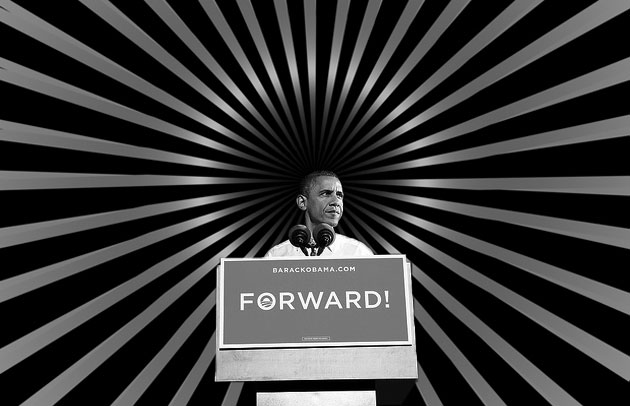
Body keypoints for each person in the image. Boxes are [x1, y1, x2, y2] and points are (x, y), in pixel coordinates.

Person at [264, 170, 373, 257]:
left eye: (339, 195)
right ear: (302, 202)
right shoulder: (277, 255)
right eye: (326, 194)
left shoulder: (358, 252)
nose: (336, 202)